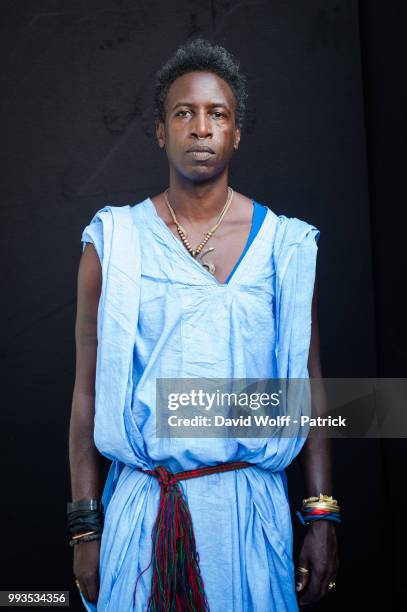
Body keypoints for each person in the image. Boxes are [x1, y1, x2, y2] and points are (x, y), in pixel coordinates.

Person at [69, 38, 339, 611]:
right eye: (183, 113)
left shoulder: (285, 247)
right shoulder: (114, 243)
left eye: (217, 114)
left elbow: (309, 386)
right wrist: (85, 527)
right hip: (146, 515)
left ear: (236, 133)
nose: (201, 128)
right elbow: (87, 391)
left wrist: (320, 514)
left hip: (251, 514)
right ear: (161, 132)